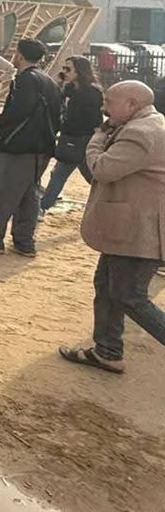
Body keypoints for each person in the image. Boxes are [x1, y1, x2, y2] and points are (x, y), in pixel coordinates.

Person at [58, 80, 165, 374]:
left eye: (109, 102)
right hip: (126, 229)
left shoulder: (141, 133)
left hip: (138, 232)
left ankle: (108, 349)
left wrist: (95, 139)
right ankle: (107, 351)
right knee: (106, 287)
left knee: (131, 297)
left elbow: (103, 169)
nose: (103, 108)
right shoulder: (144, 124)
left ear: (132, 104)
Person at [0, 39, 60, 258]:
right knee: (29, 195)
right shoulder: (49, 81)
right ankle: (24, 242)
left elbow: (18, 111)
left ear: (20, 55)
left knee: (3, 193)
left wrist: (0, 125)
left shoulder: (25, 80)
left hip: (19, 148)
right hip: (42, 148)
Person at [39, 56, 104, 215]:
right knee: (82, 175)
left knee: (61, 173)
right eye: (63, 68)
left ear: (80, 71)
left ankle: (43, 206)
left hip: (82, 139)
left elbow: (95, 119)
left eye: (68, 69)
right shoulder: (68, 88)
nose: (64, 72)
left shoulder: (92, 92)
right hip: (68, 137)